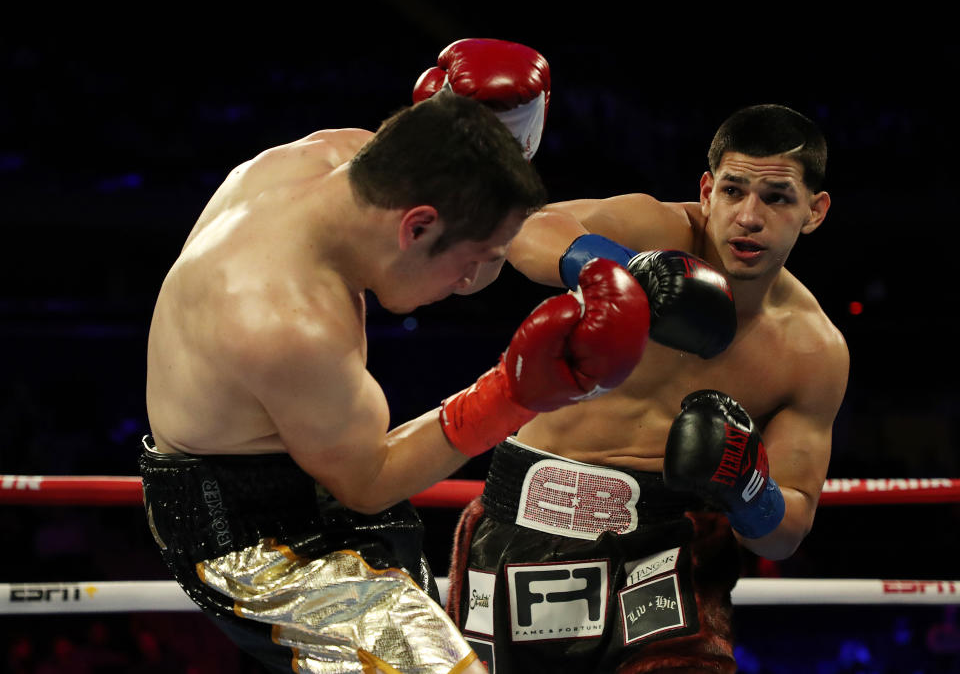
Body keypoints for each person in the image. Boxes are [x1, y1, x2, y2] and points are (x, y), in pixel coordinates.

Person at [139, 86, 655, 674]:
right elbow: (369, 482)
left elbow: (454, 196)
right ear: (417, 228)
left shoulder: (336, 160)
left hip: (313, 469)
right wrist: (512, 395)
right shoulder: (288, 325)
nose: (467, 284)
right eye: (467, 263)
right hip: (256, 539)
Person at [445, 104, 850, 673]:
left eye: (777, 198)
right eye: (733, 191)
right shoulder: (656, 230)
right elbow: (526, 229)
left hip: (668, 550)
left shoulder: (812, 351)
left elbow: (787, 532)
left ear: (815, 211)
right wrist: (630, 271)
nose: (749, 217)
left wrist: (746, 485)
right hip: (526, 519)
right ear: (707, 191)